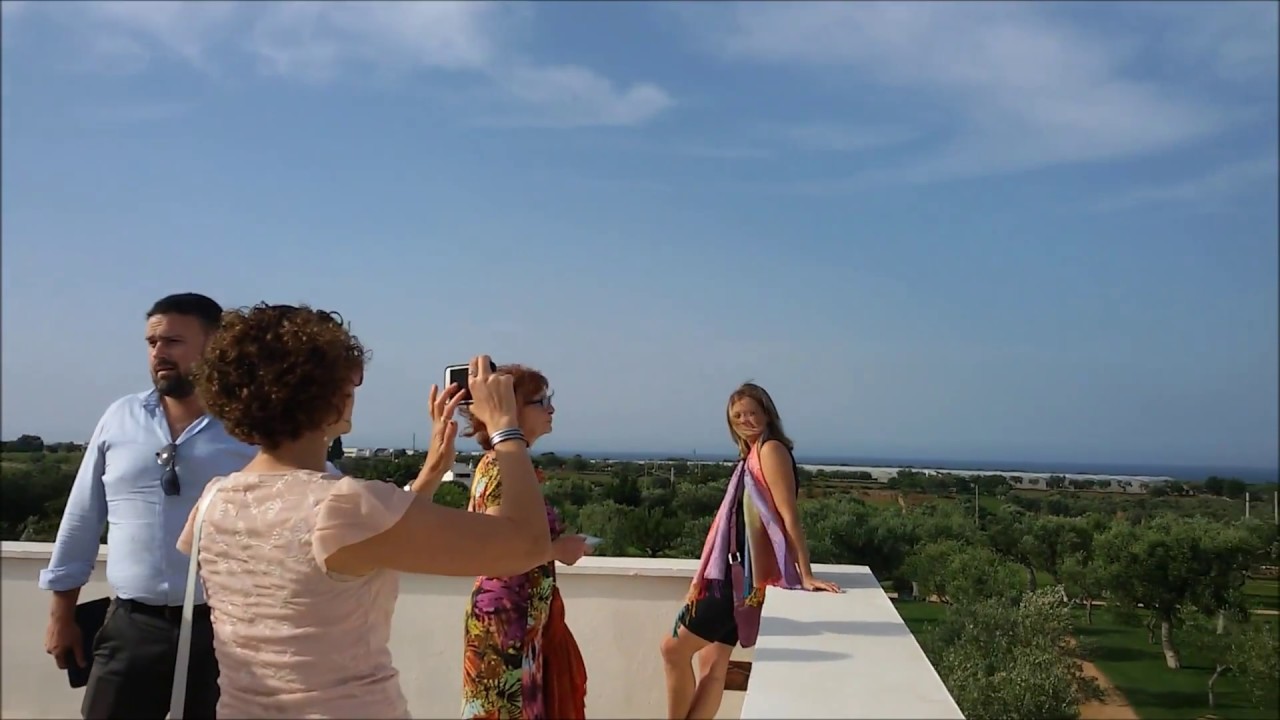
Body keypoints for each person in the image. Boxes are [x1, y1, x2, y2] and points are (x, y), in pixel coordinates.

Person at [178, 304, 551, 719]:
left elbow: (361, 542)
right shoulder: (344, 506)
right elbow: (528, 545)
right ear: (331, 395)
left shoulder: (214, 501)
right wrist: (505, 427)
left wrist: (431, 471)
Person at [39, 292, 256, 720]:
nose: (158, 353)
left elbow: (312, 493)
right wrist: (61, 615)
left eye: (173, 341)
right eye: (152, 342)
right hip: (131, 628)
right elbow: (82, 518)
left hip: (227, 632)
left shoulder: (249, 425)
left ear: (215, 345)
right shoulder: (120, 417)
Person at [660, 382, 841, 720]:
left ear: (767, 414)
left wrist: (806, 574)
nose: (745, 420)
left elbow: (788, 515)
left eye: (751, 413)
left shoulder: (770, 450)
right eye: (737, 416)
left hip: (739, 579)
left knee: (672, 649)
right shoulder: (752, 454)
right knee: (712, 664)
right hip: (739, 573)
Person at [459, 365, 591, 720]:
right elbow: (496, 545)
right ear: (509, 409)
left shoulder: (502, 465)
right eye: (541, 401)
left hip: (517, 622)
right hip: (507, 625)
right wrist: (558, 549)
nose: (551, 408)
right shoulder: (501, 468)